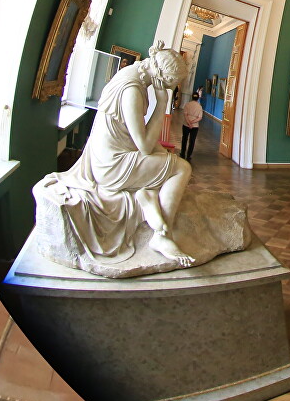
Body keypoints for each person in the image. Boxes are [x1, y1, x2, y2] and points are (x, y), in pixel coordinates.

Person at [36, 41, 195, 268]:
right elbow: (144, 146)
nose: (173, 89)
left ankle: (146, 196)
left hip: (113, 157)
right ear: (163, 78)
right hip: (112, 166)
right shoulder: (132, 90)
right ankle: (162, 236)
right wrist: (162, 104)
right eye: (173, 84)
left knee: (168, 160)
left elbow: (135, 138)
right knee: (182, 168)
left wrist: (162, 156)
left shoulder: (132, 76)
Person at [180, 89, 203, 161]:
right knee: (192, 141)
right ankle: (189, 155)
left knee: (184, 139)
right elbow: (200, 117)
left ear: (192, 97)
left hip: (186, 124)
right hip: (195, 126)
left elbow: (185, 115)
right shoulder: (199, 106)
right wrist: (192, 122)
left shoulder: (187, 104)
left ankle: (182, 153)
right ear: (198, 98)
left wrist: (189, 123)